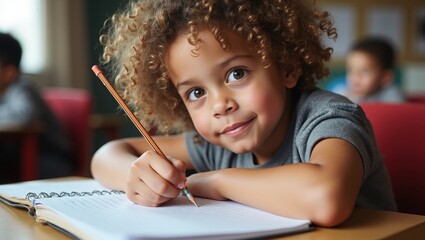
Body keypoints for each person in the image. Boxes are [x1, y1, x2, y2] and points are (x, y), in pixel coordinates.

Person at [91, 0, 396, 227]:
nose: (220, 105)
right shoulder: (217, 140)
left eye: (237, 74)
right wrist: (141, 177)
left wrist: (215, 182)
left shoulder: (330, 118)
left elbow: (327, 197)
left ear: (286, 66)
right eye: (196, 93)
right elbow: (106, 156)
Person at [0, 32, 73, 181]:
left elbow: (25, 116)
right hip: (18, 158)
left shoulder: (23, 88)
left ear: (9, 72)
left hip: (49, 158)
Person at [342, 36, 405, 103]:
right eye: (350, 70)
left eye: (364, 71)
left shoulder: (393, 99)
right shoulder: (346, 94)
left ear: (385, 77)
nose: (355, 78)